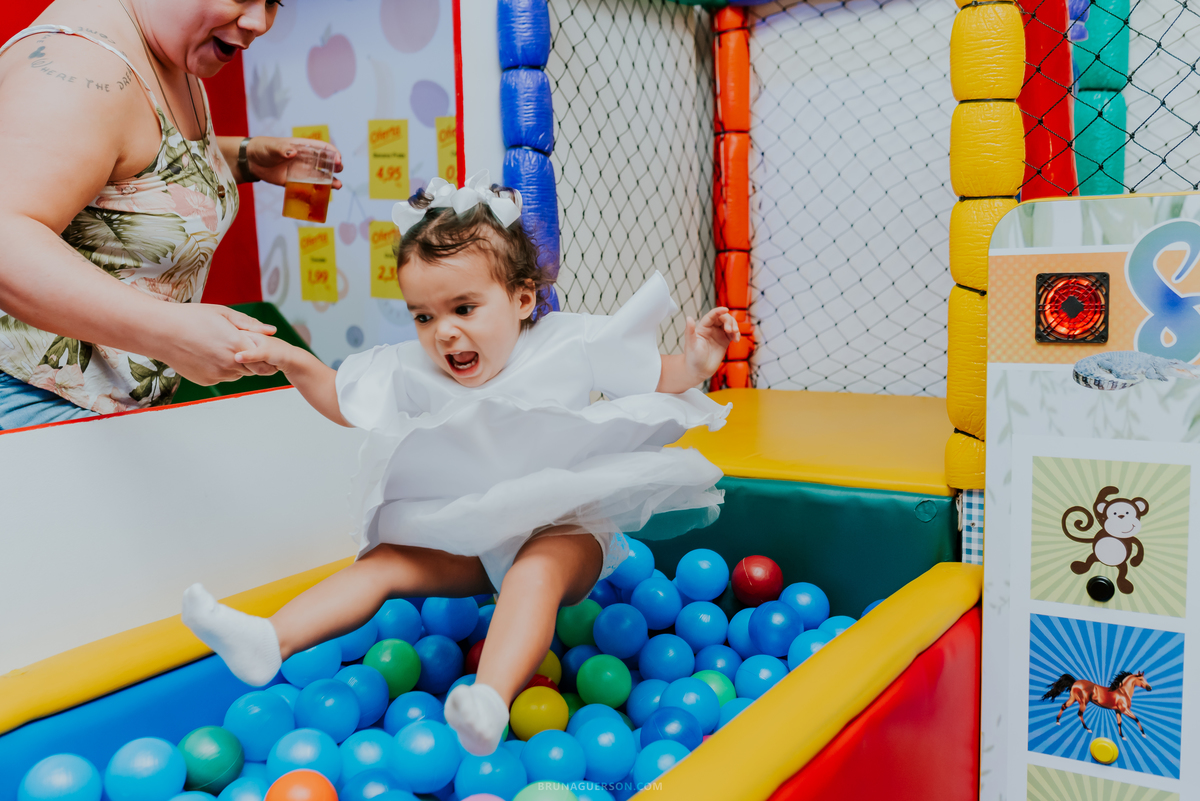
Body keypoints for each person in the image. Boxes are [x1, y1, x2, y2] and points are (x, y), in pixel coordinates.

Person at [180, 171, 739, 756]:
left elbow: (658, 376)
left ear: (522, 299)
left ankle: (489, 702)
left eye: (464, 308)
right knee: (385, 563)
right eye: (423, 316)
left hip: (566, 529)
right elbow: (344, 402)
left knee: (533, 573)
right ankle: (269, 640)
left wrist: (698, 360)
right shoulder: (414, 370)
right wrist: (288, 359)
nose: (444, 334)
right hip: (475, 539)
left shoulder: (568, 343)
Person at [0, 0, 343, 429]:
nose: (259, 22)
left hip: (91, 406)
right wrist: (172, 334)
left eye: (274, 1)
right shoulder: (82, 68)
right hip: (25, 394)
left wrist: (245, 159)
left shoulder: (162, 48)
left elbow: (127, 164)